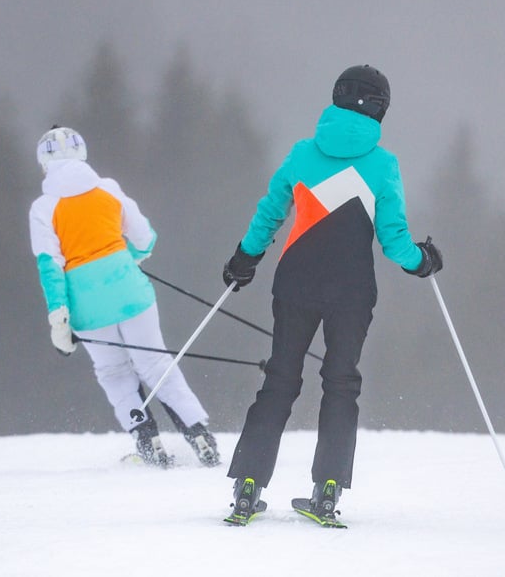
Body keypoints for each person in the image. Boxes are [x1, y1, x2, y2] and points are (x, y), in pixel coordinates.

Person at [221, 65, 443, 526]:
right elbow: (394, 240)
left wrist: (245, 257)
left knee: (280, 378)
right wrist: (422, 260)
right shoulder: (383, 164)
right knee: (341, 383)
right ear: (381, 108)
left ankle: (248, 485)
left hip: (295, 281)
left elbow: (270, 213)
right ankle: (327, 490)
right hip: (352, 291)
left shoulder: (303, 153)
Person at [28, 125, 221, 468]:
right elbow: (145, 238)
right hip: (131, 290)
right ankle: (198, 434)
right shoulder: (108, 189)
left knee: (114, 372)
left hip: (85, 304)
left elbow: (50, 266)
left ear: (44, 163)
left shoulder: (43, 208)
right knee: (155, 362)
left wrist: (58, 317)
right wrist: (125, 260)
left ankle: (149, 444)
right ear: (82, 153)